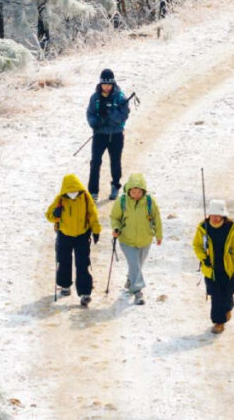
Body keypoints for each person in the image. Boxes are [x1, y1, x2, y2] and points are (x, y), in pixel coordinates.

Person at [45, 174, 102, 307]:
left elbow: (93, 215)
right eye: (70, 192)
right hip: (64, 235)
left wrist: (96, 230)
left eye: (75, 191)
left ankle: (85, 293)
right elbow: (49, 216)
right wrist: (55, 214)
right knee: (63, 260)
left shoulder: (86, 198)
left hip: (82, 235)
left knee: (83, 263)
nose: (72, 194)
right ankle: (65, 285)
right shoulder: (60, 199)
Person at [110, 173, 163, 305]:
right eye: (133, 192)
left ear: (143, 191)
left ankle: (130, 279)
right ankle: (137, 291)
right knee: (134, 264)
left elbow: (157, 218)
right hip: (126, 240)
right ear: (128, 191)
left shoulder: (150, 202)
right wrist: (116, 228)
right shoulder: (122, 201)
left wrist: (158, 235)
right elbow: (115, 217)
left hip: (145, 239)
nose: (135, 194)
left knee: (138, 264)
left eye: (138, 192)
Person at [192, 199, 234, 334]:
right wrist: (204, 258)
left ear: (223, 216)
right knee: (216, 296)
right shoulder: (203, 228)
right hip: (211, 270)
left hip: (228, 268)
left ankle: (228, 308)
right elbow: (196, 245)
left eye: (218, 215)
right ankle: (218, 322)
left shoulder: (232, 229)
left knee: (228, 293)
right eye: (212, 215)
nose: (215, 218)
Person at [86, 68, 130, 202]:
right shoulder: (95, 98)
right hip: (100, 135)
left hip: (116, 135)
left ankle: (115, 185)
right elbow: (90, 114)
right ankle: (93, 192)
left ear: (113, 83)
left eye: (109, 84)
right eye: (104, 84)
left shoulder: (120, 97)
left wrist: (110, 112)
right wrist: (95, 123)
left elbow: (123, 116)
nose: (106, 87)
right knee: (95, 162)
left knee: (115, 162)